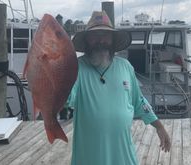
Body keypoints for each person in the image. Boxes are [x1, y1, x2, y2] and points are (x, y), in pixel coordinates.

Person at [68, 11, 171, 165]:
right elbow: (66, 98)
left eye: (105, 35)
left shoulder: (126, 66)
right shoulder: (76, 68)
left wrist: (159, 126)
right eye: (94, 35)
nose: (100, 40)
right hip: (89, 155)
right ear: (87, 40)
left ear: (113, 39)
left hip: (123, 154)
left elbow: (139, 100)